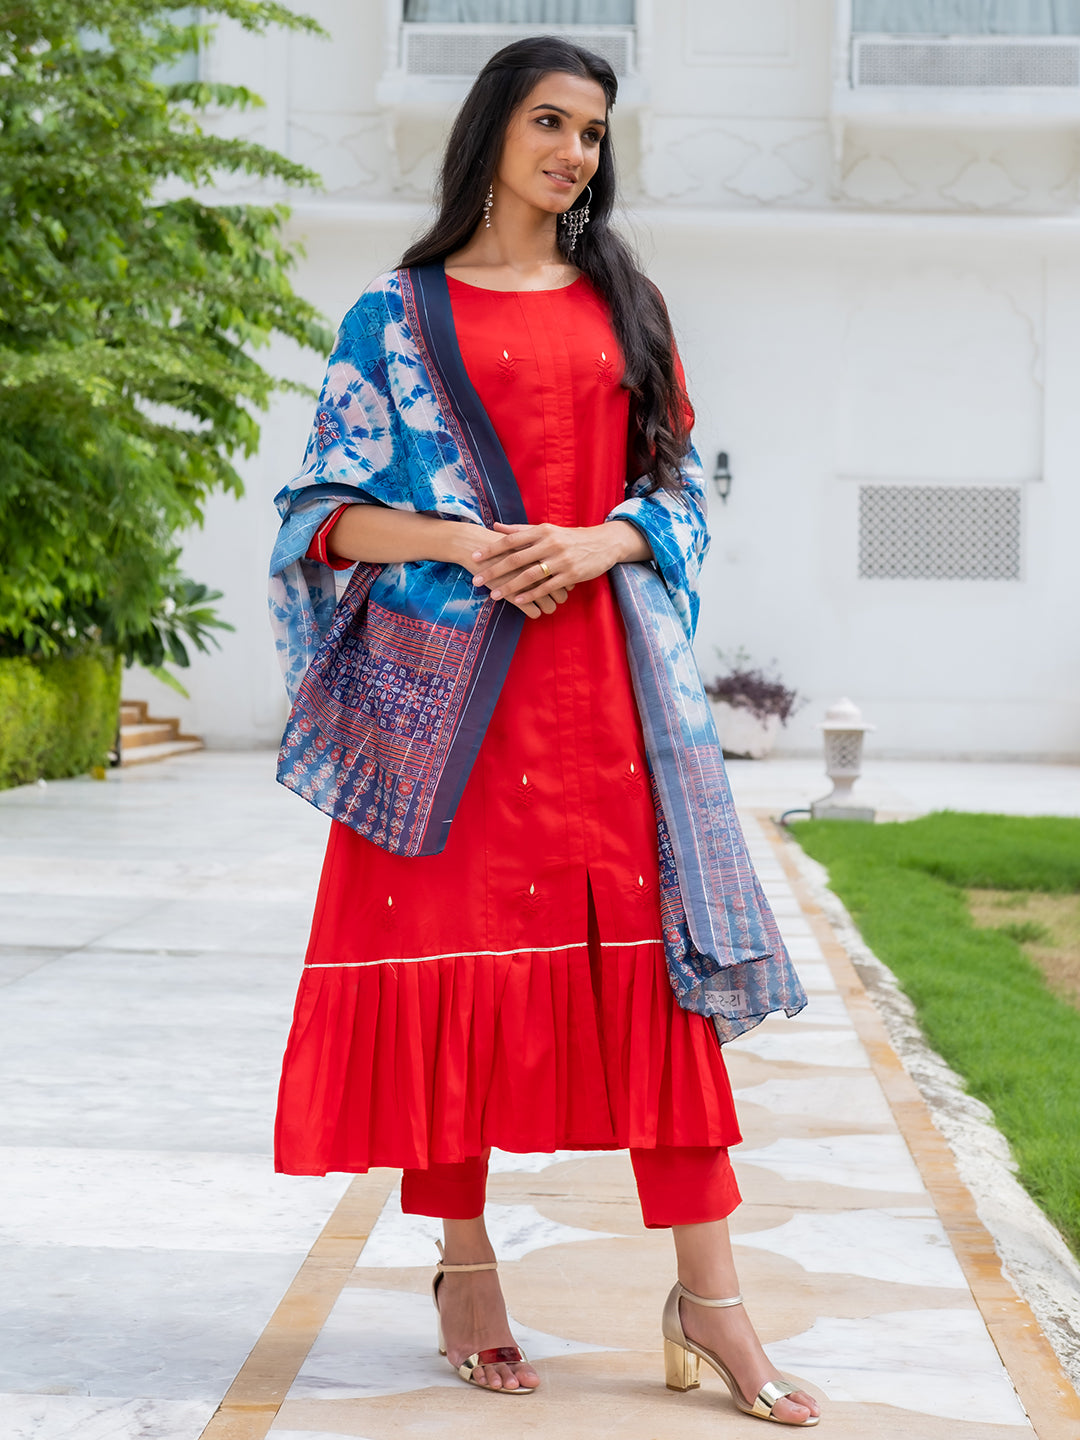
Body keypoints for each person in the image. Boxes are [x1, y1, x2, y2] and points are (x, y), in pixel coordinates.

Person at [268, 36, 819, 1428]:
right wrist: (468, 538)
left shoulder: (628, 305)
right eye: (549, 121)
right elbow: (319, 515)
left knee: (659, 997)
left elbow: (680, 495)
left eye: (593, 131)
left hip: (608, 710)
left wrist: (597, 539)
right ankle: (464, 1266)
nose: (573, 151)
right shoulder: (394, 319)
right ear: (492, 132)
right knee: (457, 980)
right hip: (454, 719)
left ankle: (712, 1300)